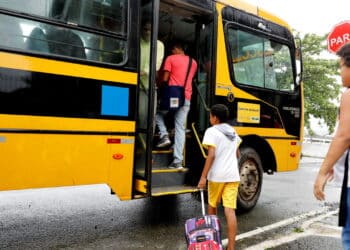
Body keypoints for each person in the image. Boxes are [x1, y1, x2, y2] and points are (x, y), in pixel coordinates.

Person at [313, 42, 350, 249]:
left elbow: (344, 136)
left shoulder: (349, 94)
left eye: (341, 66)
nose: (340, 71)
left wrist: (322, 171)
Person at [197, 104, 241, 250]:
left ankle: (213, 243)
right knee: (229, 210)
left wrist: (203, 177)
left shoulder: (212, 131)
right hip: (233, 176)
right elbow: (237, 154)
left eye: (210, 116)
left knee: (212, 206)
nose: (210, 119)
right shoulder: (232, 132)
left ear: (215, 118)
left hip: (217, 176)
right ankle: (231, 247)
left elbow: (211, 155)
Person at [155, 41, 197, 169]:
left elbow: (165, 79)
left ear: (176, 48)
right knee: (180, 128)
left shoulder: (170, 58)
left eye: (172, 50)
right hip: (187, 97)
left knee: (157, 113)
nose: (171, 52)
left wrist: (159, 85)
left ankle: (164, 135)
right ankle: (177, 161)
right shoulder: (193, 62)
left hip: (173, 96)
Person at [139, 18, 164, 129]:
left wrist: (143, 71)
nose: (148, 32)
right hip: (135, 85)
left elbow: (156, 64)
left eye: (150, 30)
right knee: (139, 116)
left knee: (149, 117)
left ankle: (146, 144)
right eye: (145, 29)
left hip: (149, 87)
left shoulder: (158, 44)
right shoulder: (136, 42)